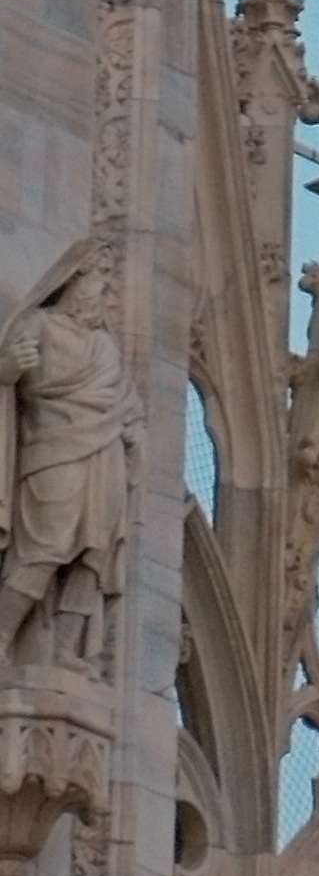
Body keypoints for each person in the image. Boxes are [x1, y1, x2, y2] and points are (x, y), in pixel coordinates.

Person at [0, 252, 133, 668]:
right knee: (45, 547)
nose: (103, 293)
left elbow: (126, 402)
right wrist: (6, 370)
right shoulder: (37, 326)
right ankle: (3, 635)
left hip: (104, 454)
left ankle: (63, 648)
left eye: (109, 285)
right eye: (97, 282)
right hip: (53, 453)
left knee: (94, 554)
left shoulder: (105, 346)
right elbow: (11, 381)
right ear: (74, 280)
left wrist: (135, 431)